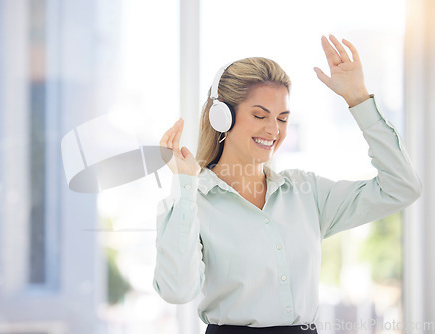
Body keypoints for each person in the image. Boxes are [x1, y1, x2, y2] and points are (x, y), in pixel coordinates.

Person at [153, 35, 422, 334]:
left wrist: (358, 99)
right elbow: (177, 291)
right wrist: (185, 186)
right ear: (222, 117)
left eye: (282, 118)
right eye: (260, 115)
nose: (273, 129)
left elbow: (402, 187)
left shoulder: (306, 193)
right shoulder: (194, 201)